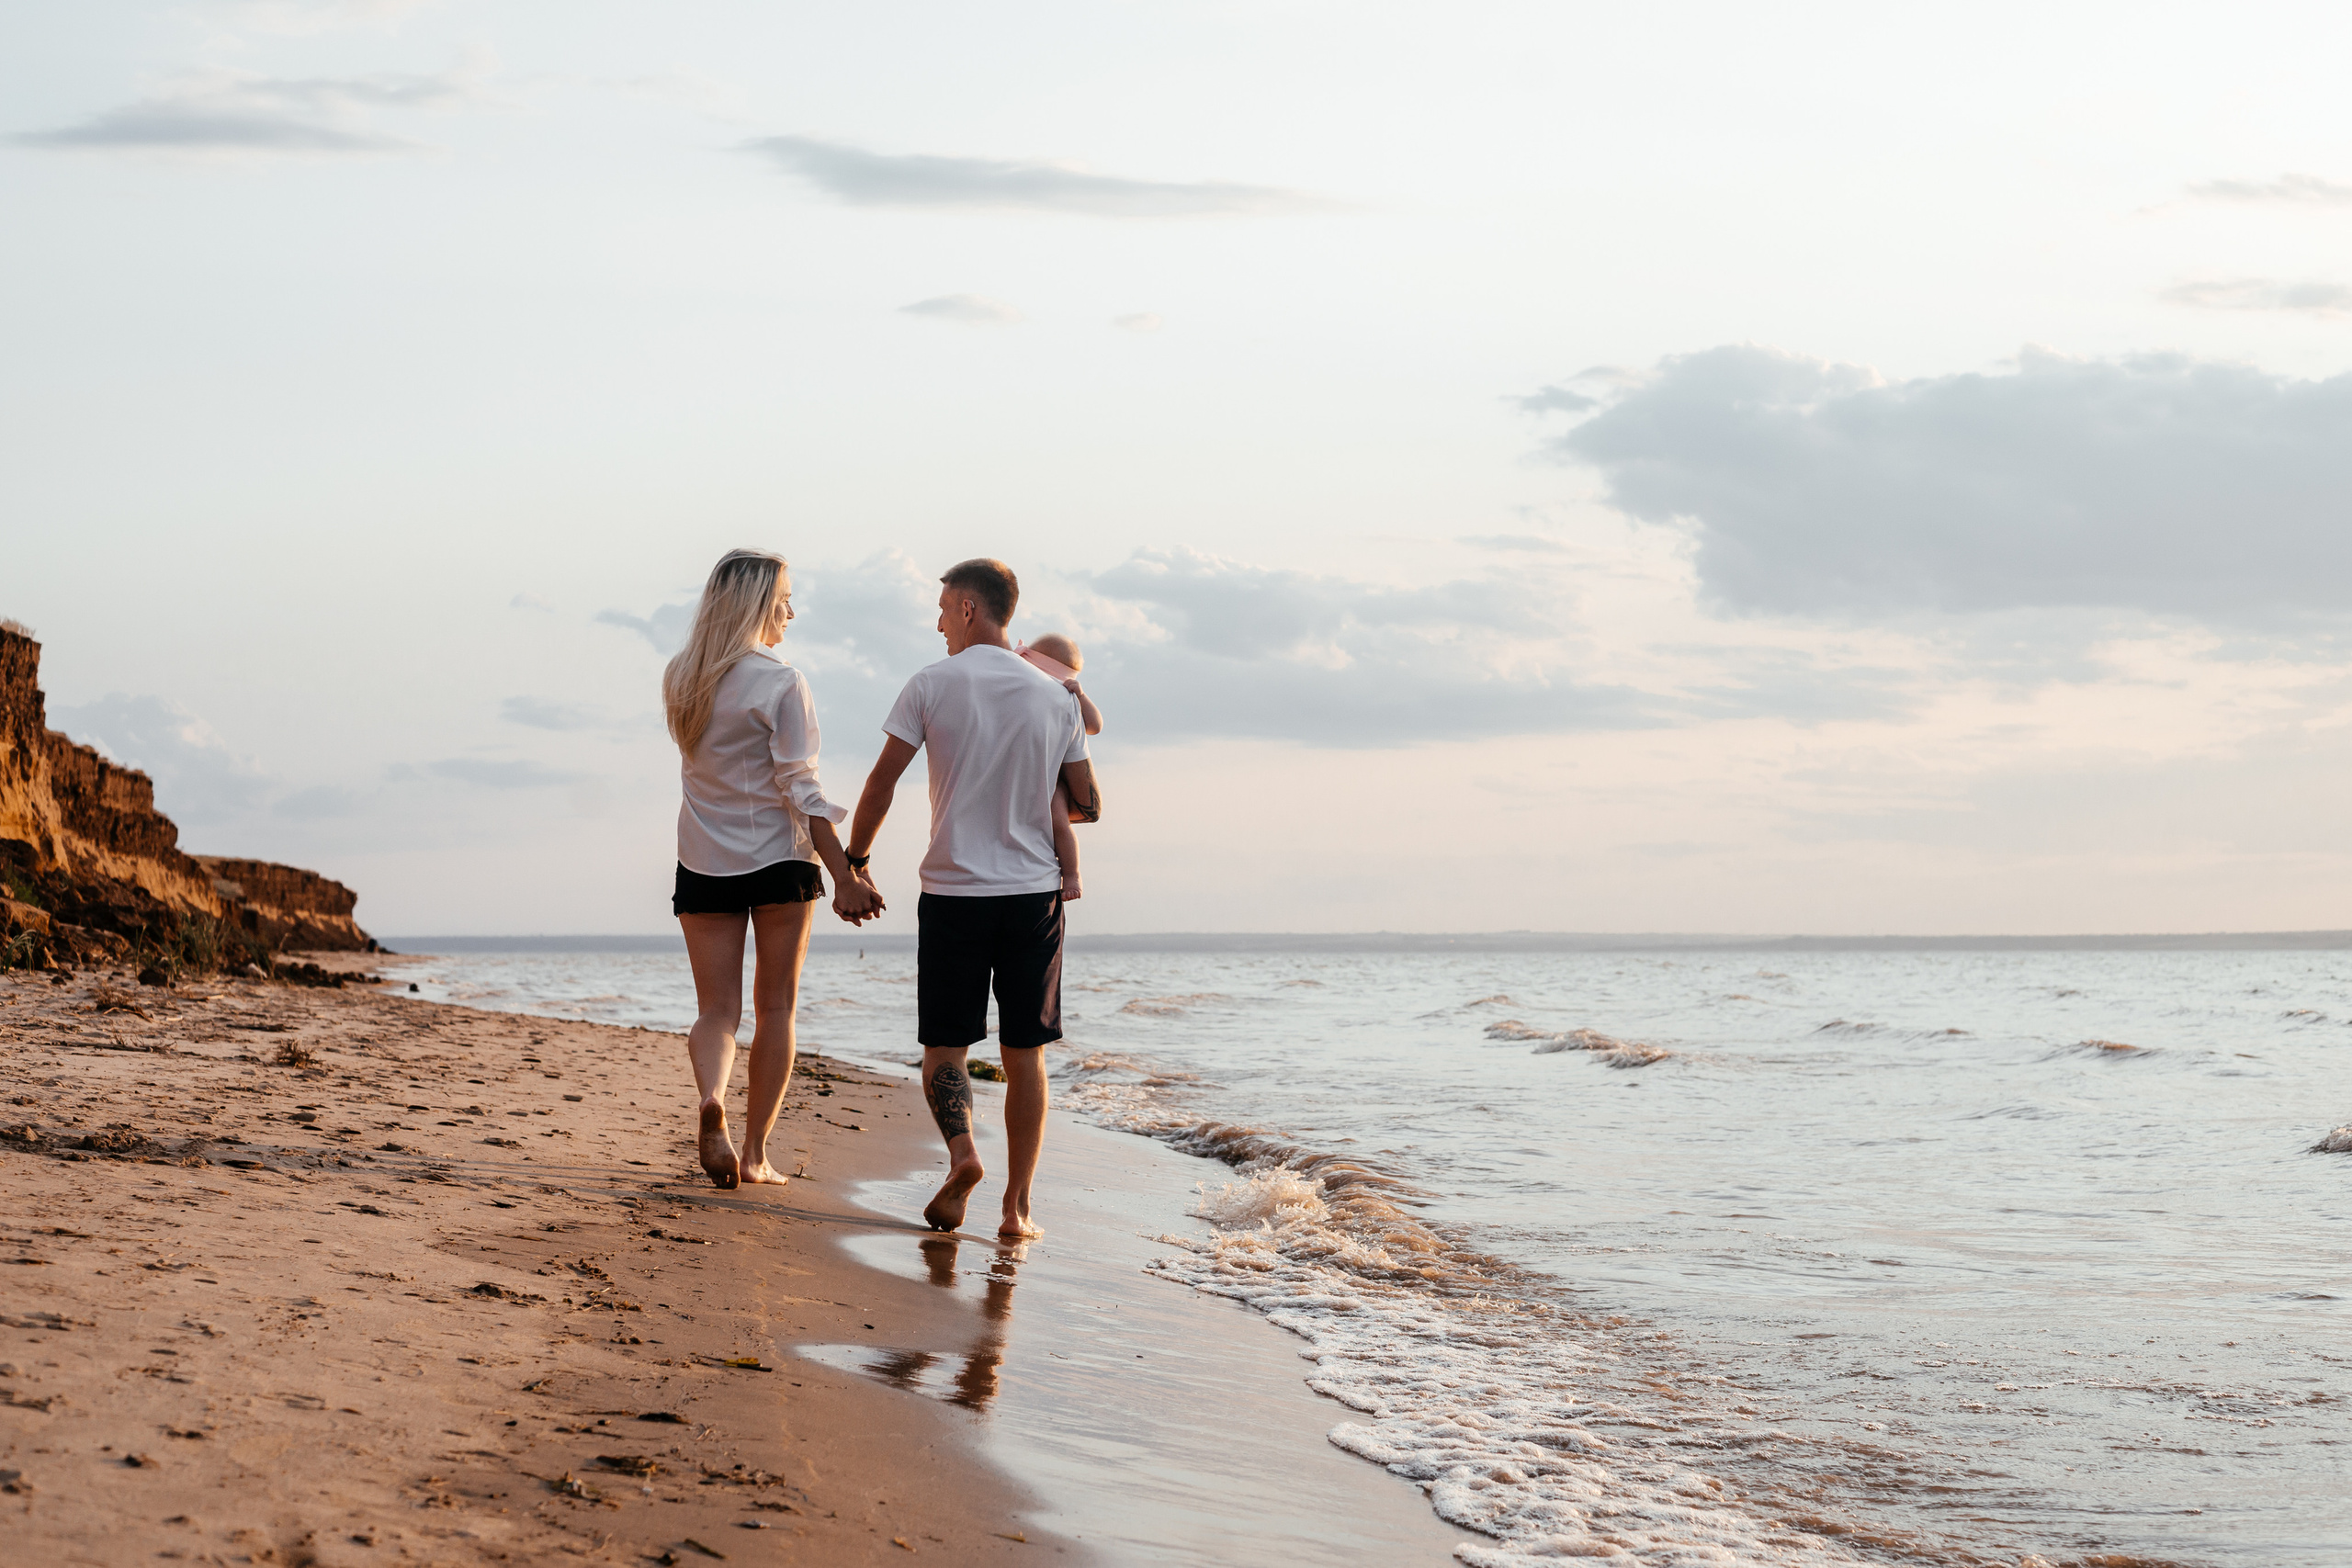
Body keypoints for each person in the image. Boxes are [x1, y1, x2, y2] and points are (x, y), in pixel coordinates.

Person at [847, 558, 1099, 1238]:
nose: (937, 625)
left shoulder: (931, 683)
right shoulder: (1057, 699)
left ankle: (963, 1155)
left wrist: (856, 860)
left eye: (941, 609)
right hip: (1033, 895)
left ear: (966, 608)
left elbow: (881, 784)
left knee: (946, 1046)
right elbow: (1086, 801)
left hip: (955, 890)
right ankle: (1017, 1211)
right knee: (1026, 1053)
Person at [664, 548, 881, 1191]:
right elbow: (801, 787)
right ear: (758, 605)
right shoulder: (782, 681)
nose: (791, 609)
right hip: (779, 859)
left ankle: (712, 1098)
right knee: (776, 1005)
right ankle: (755, 1153)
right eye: (784, 597)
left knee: (717, 1011)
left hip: (703, 858)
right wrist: (845, 874)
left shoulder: (684, 676)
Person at [1013, 634, 1103, 901]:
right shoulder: (1021, 687)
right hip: (1032, 770)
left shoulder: (1069, 698)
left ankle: (1072, 872)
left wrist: (1081, 695)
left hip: (1057, 776)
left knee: (1058, 821)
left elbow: (1095, 726)